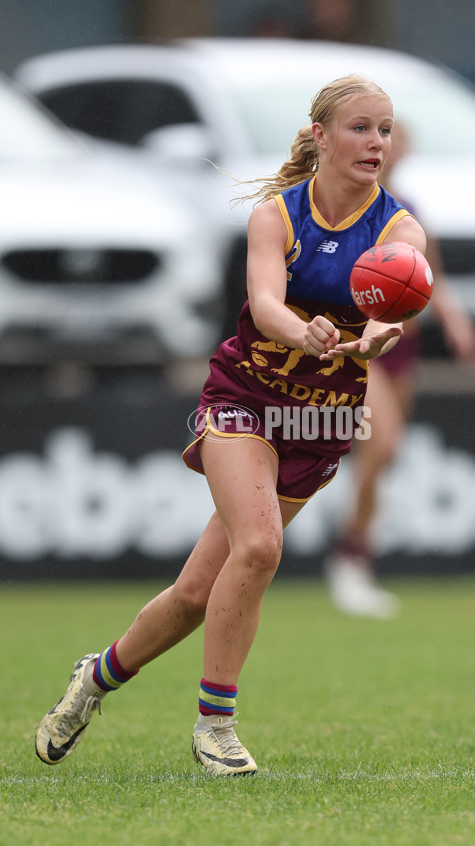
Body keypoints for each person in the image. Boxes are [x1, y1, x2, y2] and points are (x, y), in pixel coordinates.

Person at [34, 75, 427, 776]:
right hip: (246, 399)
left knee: (194, 593)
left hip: (321, 422)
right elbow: (266, 304)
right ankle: (216, 725)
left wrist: (375, 337)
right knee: (261, 546)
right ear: (321, 136)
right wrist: (303, 334)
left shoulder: (399, 229)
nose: (377, 143)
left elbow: (393, 306)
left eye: (385, 130)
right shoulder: (277, 216)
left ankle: (94, 678)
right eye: (361, 128)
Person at [325, 122, 475, 618]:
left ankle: (358, 556)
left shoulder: (408, 208)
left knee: (382, 459)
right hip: (362, 347)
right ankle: (348, 558)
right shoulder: (344, 206)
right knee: (384, 441)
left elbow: (429, 275)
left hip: (403, 349)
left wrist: (456, 323)